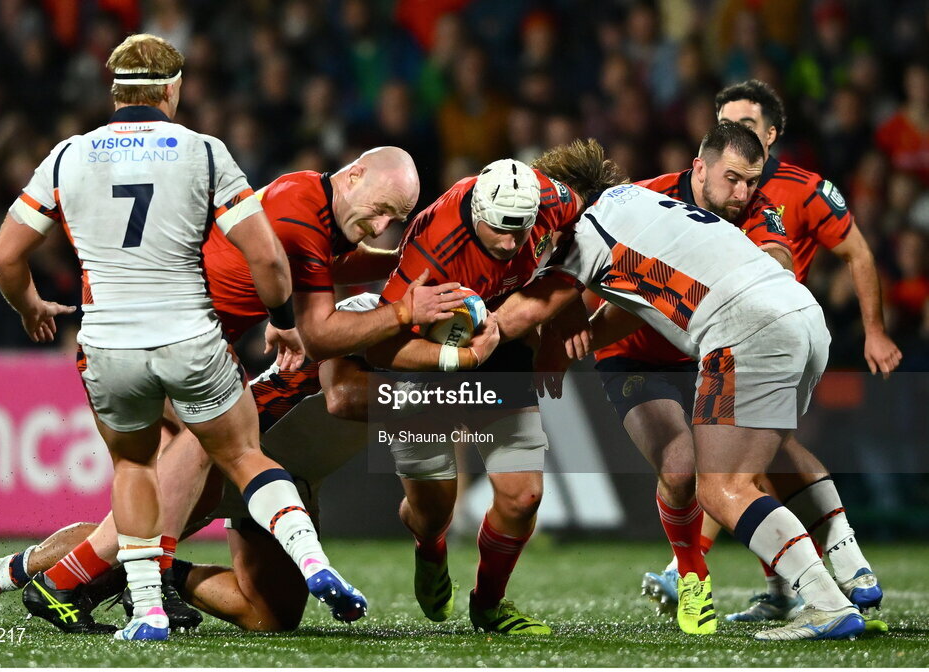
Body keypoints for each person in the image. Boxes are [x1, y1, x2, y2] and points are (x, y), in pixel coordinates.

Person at [0, 143, 461, 633]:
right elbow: (329, 351)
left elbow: (323, 267)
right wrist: (410, 318)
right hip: (178, 348)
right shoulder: (316, 232)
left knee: (266, 608)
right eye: (381, 210)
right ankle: (51, 579)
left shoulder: (320, 210)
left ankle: (115, 576)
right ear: (354, 175)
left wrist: (405, 266)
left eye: (395, 220)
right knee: (162, 504)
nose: (382, 226)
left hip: (180, 345)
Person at [0, 33, 365, 641]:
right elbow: (267, 258)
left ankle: (148, 612)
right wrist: (284, 320)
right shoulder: (203, 151)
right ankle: (313, 561)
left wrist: (29, 303)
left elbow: (5, 259)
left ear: (114, 90)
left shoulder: (68, 156)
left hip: (108, 346)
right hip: (189, 336)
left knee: (135, 468)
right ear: (171, 88)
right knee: (245, 457)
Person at [491, 140, 866, 641]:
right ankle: (847, 573)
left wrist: (460, 332)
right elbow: (638, 300)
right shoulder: (643, 203)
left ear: (567, 198)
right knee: (752, 473)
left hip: (744, 333)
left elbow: (527, 311)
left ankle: (825, 601)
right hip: (803, 319)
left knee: (720, 487)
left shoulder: (586, 226)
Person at [0, 294, 383, 633]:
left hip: (293, 481)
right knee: (129, 533)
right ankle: (3, 573)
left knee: (271, 617)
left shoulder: (441, 367)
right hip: (232, 446)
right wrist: (443, 395)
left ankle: (165, 575)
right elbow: (345, 397)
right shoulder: (368, 311)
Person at [643, 80, 895, 623]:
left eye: (749, 125)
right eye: (725, 123)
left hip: (766, 341)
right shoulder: (696, 190)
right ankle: (796, 586)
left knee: (735, 469)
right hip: (730, 340)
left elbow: (841, 252)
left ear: (772, 134)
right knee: (758, 460)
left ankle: (826, 575)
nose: (737, 134)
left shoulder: (783, 193)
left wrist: (874, 330)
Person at [575, 121, 792, 635]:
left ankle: (795, 589)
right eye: (732, 179)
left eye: (751, 182)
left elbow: (780, 260)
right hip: (635, 356)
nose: (741, 194)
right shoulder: (643, 202)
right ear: (699, 168)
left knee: (754, 468)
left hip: (708, 357)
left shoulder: (755, 210)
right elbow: (607, 285)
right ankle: (693, 576)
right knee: (678, 469)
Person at [366, 150, 588, 635]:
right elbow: (383, 345)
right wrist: (455, 359)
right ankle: (430, 547)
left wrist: (567, 307)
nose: (512, 242)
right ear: (478, 215)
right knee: (432, 511)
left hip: (498, 335)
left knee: (524, 495)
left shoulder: (549, 198)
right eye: (501, 229)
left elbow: (586, 231)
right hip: (428, 350)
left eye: (522, 229)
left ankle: (489, 605)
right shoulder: (431, 250)